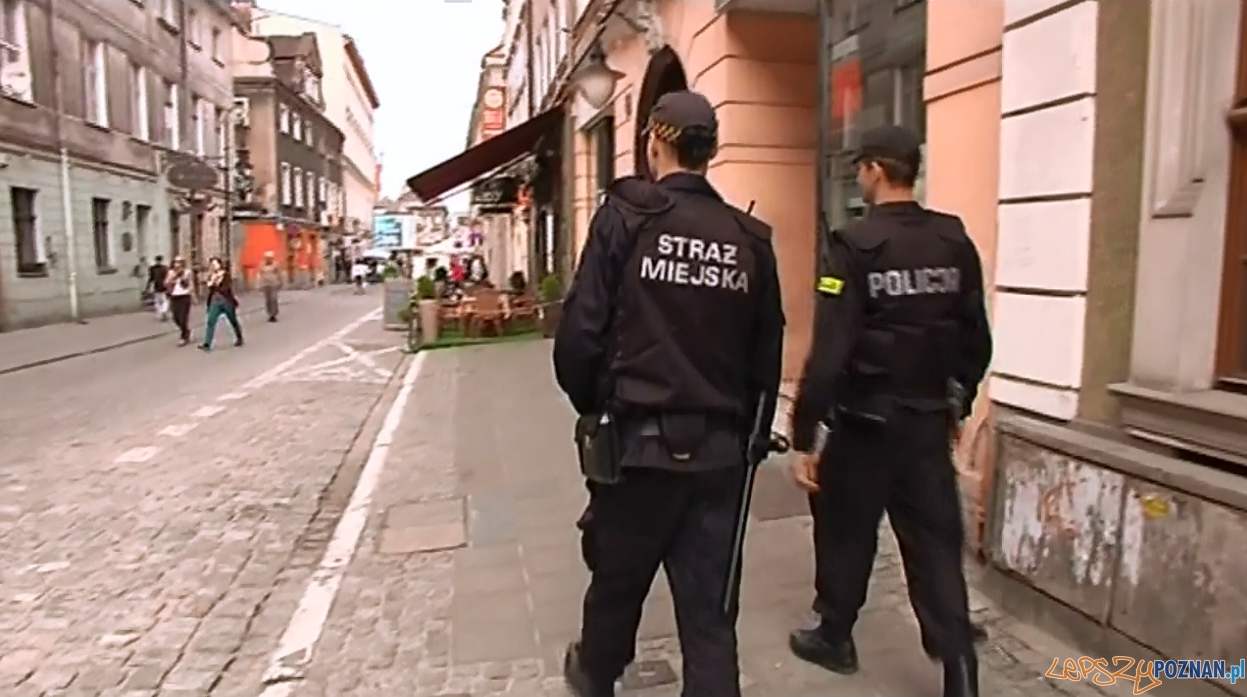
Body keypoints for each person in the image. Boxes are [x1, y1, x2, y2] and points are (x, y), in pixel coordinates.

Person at [552, 90, 785, 697]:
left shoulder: (625, 219)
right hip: (718, 456)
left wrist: (594, 408)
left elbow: (579, 337)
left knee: (616, 588)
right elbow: (767, 361)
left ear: (655, 144)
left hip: (636, 449)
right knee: (709, 619)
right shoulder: (750, 240)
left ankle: (595, 677)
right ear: (712, 152)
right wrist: (751, 440)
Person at [786, 125, 993, 697]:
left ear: (876, 170)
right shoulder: (953, 241)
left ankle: (835, 635)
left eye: (861, 169)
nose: (859, 178)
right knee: (935, 543)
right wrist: (957, 401)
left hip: (866, 423)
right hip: (927, 421)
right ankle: (960, 672)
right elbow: (976, 338)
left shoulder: (854, 245)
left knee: (845, 530)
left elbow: (831, 350)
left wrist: (805, 432)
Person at [200, 257, 244, 351]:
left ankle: (239, 338)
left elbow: (226, 287)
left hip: (226, 300)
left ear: (220, 264)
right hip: (215, 301)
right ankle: (207, 343)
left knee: (233, 320)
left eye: (215, 264)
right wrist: (212, 282)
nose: (214, 266)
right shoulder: (211, 276)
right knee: (211, 320)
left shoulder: (225, 275)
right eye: (212, 264)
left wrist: (216, 283)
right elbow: (209, 287)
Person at [166, 257, 195, 346]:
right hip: (174, 297)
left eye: (179, 262)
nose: (177, 264)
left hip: (184, 296)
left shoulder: (187, 272)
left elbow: (190, 284)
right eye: (176, 262)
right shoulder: (171, 272)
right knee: (175, 318)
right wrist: (174, 276)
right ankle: (186, 331)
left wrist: (193, 295)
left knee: (183, 318)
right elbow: (166, 282)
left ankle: (183, 337)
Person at [259, 251, 283, 322]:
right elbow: (260, 275)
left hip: (274, 284)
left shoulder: (275, 265)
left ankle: (274, 314)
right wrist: (259, 285)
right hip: (266, 284)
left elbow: (279, 274)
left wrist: (280, 282)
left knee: (273, 299)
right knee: (268, 300)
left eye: (269, 258)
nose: (268, 259)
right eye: (267, 258)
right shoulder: (262, 265)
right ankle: (269, 314)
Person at [147, 255, 169, 321]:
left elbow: (151, 278)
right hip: (163, 286)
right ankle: (163, 312)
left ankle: (161, 313)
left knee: (158, 301)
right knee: (164, 300)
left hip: (157, 286)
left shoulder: (152, 268)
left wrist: (148, 286)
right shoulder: (165, 268)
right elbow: (167, 277)